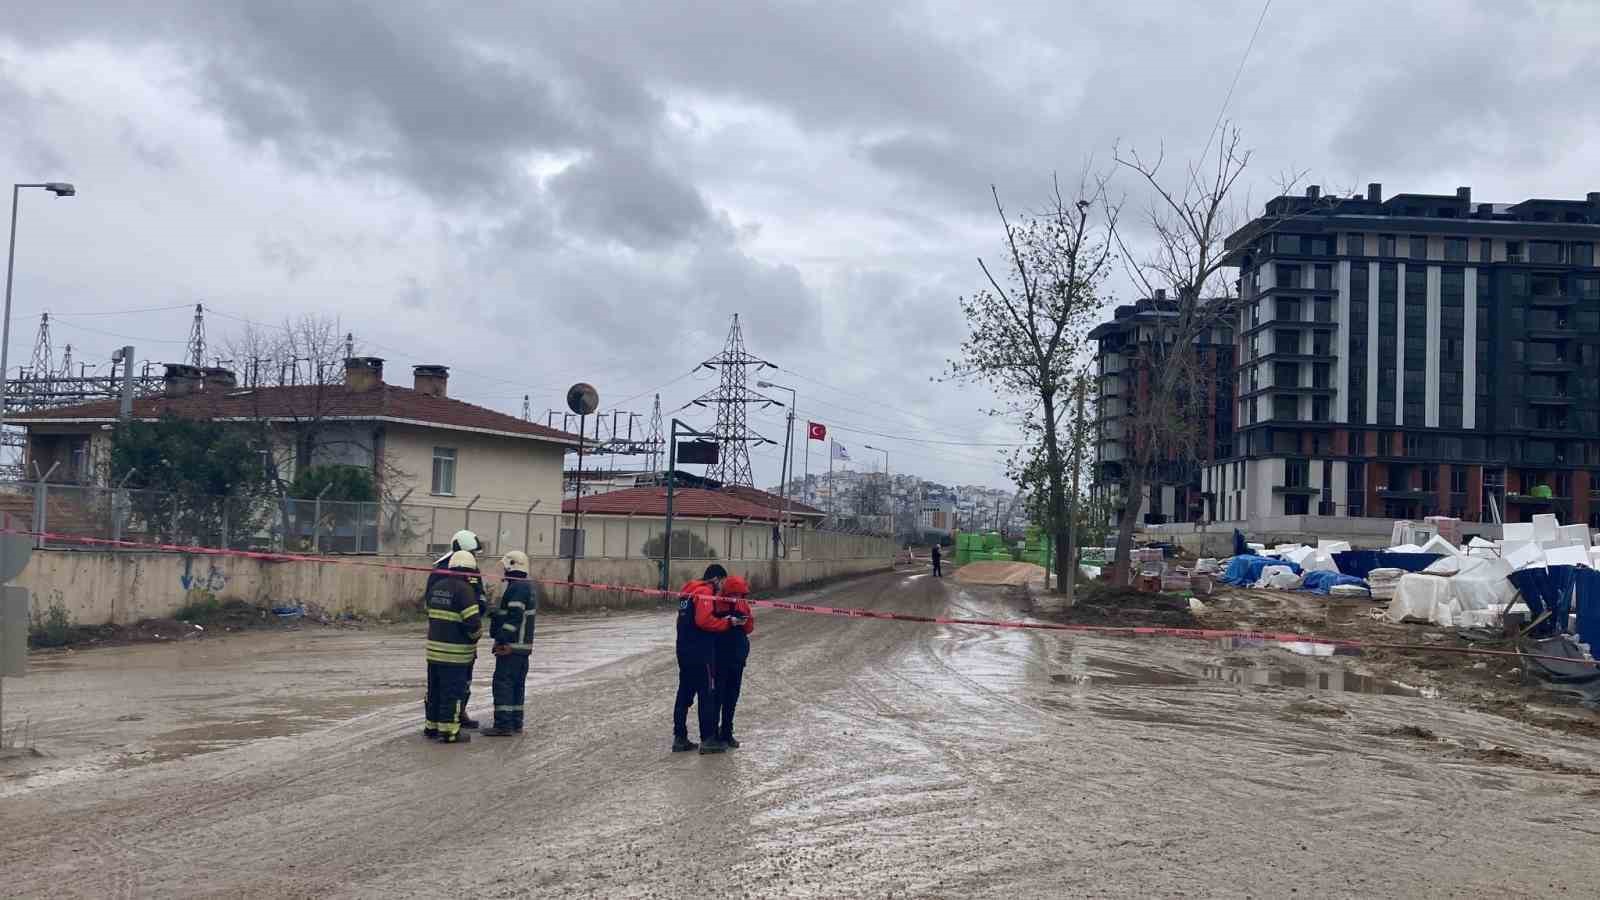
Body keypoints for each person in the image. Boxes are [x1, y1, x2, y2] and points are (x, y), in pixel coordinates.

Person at [425, 529, 486, 729]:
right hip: (457, 636)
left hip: (442, 638)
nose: (475, 557)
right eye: (473, 552)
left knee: (453, 681)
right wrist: (474, 625)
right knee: (453, 682)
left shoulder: (467, 566)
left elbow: (480, 596)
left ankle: (447, 719)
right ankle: (449, 724)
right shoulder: (446, 569)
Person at [672, 563, 727, 754]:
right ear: (716, 579)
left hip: (684, 650)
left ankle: (680, 737)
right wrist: (725, 623)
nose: (722, 587)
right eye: (722, 582)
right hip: (701, 652)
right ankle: (708, 739)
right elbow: (703, 621)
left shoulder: (687, 594)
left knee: (684, 693)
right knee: (707, 693)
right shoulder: (704, 593)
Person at [482, 551, 537, 737]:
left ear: (513, 565)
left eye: (506, 567)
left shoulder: (517, 588)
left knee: (503, 685)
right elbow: (513, 615)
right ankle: (515, 722)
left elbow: (514, 618)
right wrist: (496, 613)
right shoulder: (524, 587)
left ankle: (503, 725)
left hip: (512, 648)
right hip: (521, 649)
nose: (504, 570)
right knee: (516, 686)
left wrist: (503, 640)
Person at [713, 575, 755, 749]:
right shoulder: (715, 603)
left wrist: (742, 621)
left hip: (737, 659)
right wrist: (728, 622)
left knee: (731, 697)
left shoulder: (743, 605)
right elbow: (709, 625)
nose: (737, 597)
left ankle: (727, 732)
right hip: (720, 658)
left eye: (740, 594)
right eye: (734, 593)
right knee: (717, 697)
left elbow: (750, 627)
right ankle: (713, 733)